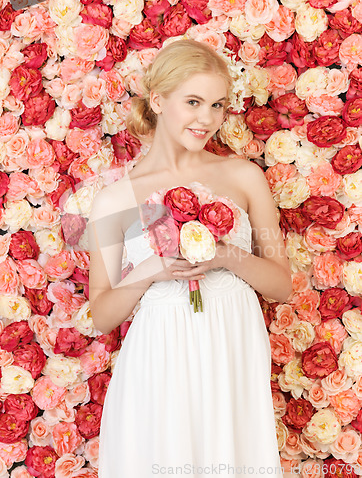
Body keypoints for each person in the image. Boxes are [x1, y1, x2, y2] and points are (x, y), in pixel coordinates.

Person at [88, 39, 293, 477]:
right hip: (159, 360)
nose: (207, 119)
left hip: (230, 351)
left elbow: (282, 285)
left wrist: (225, 256)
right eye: (194, 102)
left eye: (217, 105)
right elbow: (101, 315)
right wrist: (150, 270)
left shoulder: (243, 176)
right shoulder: (114, 199)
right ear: (158, 100)